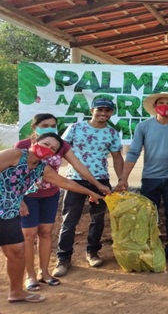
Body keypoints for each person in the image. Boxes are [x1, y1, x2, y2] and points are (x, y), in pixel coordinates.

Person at [0, 133, 102, 313]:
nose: (47, 149)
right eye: (45, 144)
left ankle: (16, 292)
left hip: (9, 214)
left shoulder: (42, 169)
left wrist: (90, 192)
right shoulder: (14, 155)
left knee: (17, 252)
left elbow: (65, 182)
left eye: (52, 149)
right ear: (33, 142)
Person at [15, 114, 110, 291]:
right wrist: (19, 200)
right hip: (27, 198)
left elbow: (78, 166)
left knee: (46, 233)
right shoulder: (22, 146)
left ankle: (44, 273)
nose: (50, 128)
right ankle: (30, 276)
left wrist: (96, 185)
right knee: (28, 235)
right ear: (34, 127)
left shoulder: (60, 145)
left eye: (53, 125)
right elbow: (13, 176)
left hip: (50, 195)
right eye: (45, 125)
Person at [53, 98, 124, 277]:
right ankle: (63, 259)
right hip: (74, 180)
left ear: (112, 113)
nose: (103, 113)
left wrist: (122, 178)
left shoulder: (112, 133)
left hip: (101, 180)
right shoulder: (75, 128)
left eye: (108, 110)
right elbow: (60, 151)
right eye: (100, 109)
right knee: (69, 220)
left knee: (98, 219)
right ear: (92, 109)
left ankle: (92, 252)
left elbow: (117, 157)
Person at [117, 92, 168, 266]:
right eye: (162, 102)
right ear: (155, 106)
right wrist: (123, 178)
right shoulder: (143, 126)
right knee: (147, 216)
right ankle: (148, 249)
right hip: (150, 178)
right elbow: (133, 152)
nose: (166, 106)